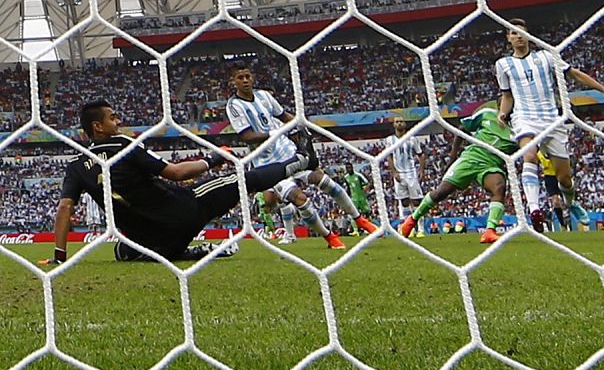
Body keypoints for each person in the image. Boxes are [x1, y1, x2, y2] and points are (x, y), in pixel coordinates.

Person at [39, 99, 315, 264]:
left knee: (122, 251)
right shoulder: (123, 144)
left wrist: (60, 256)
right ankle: (304, 160)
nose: (118, 121)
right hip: (184, 211)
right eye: (112, 118)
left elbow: (65, 208)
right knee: (243, 178)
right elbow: (177, 173)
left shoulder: (76, 165)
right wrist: (213, 159)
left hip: (150, 241)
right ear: (98, 127)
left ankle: (194, 253)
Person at [496, 17, 604, 232]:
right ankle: (535, 210)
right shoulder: (503, 64)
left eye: (521, 32)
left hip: (552, 119)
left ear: (529, 35)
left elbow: (574, 74)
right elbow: (506, 95)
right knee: (529, 155)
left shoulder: (546, 56)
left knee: (564, 178)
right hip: (524, 117)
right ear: (508, 38)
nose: (518, 36)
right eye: (513, 33)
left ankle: (571, 204)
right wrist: (502, 113)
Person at [225, 61, 376, 243]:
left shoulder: (264, 96)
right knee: (300, 200)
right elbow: (247, 136)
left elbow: (284, 116)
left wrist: (302, 126)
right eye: (240, 78)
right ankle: (330, 238)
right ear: (233, 81)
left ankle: (360, 220)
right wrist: (274, 132)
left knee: (326, 182)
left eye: (248, 76)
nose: (246, 80)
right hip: (270, 166)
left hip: (289, 152)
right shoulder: (234, 106)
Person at [399, 103, 514, 244]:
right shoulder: (487, 114)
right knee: (441, 193)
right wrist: (453, 156)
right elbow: (462, 128)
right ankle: (411, 220)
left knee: (499, 187)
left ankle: (489, 231)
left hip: (491, 165)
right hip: (470, 158)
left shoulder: (519, 129)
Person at [386, 116, 426, 237]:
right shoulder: (389, 140)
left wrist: (421, 170)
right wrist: (394, 172)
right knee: (404, 202)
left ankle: (421, 229)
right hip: (399, 174)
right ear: (394, 125)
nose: (399, 124)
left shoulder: (412, 139)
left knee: (416, 201)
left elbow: (421, 155)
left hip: (411, 173)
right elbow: (389, 157)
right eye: (397, 122)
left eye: (401, 121)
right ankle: (409, 228)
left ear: (405, 124)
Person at [538, 150, 569, 231]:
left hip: (559, 175)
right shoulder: (539, 154)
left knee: (567, 200)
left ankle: (570, 217)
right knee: (555, 202)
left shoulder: (554, 150)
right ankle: (562, 224)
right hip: (549, 178)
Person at [343, 161, 373, 235]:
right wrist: (347, 197)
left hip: (362, 198)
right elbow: (348, 188)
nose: (349, 169)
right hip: (353, 199)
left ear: (352, 168)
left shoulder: (358, 175)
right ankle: (355, 231)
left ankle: (369, 229)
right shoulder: (346, 177)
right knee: (353, 214)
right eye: (347, 168)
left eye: (350, 168)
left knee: (367, 213)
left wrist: (365, 191)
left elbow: (368, 183)